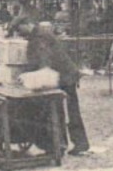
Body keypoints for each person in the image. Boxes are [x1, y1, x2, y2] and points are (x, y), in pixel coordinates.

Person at [28, 22, 90, 156]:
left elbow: (44, 57)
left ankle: (66, 144)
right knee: (66, 110)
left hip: (64, 77)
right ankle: (71, 143)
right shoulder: (43, 35)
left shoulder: (39, 37)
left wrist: (40, 73)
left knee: (63, 110)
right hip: (65, 75)